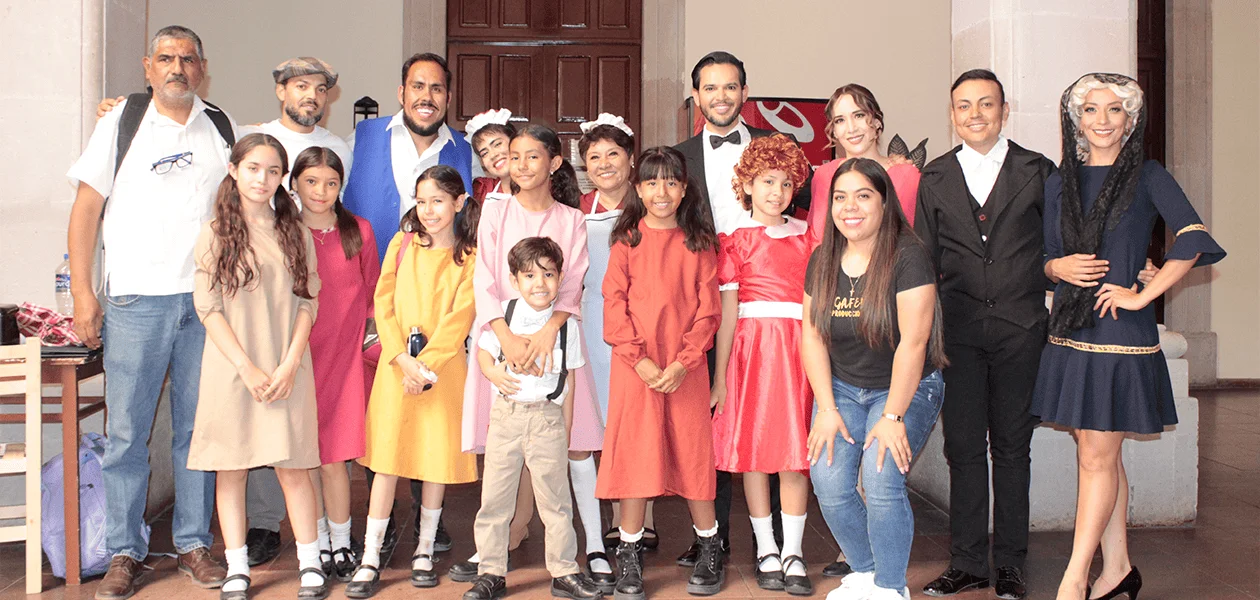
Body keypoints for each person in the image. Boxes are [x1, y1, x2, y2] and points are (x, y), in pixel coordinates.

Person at [1035, 73, 1224, 600]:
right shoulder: (1058, 182)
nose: (1101, 120)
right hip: (1070, 330)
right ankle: (1117, 566)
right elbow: (1043, 257)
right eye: (1090, 110)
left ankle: (1073, 581)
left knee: (1097, 454)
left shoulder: (1148, 175)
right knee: (1098, 452)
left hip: (1120, 334)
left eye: (1113, 110)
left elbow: (1193, 238)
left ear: (1130, 120)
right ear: (1075, 119)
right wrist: (1058, 268)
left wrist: (1145, 292)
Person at [66, 25, 233, 600]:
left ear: (202, 67)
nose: (177, 67)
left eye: (188, 58)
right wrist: (84, 295)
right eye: (166, 58)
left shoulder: (221, 127)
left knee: (196, 431)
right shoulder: (120, 124)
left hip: (205, 304)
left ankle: (193, 543)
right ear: (147, 66)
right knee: (127, 435)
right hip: (134, 300)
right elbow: (86, 210)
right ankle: (123, 552)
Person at [913, 69, 1054, 600]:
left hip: (1022, 330)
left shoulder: (1038, 171)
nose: (975, 114)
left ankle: (1012, 564)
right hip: (960, 334)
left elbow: (1059, 246)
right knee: (964, 448)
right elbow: (924, 259)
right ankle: (968, 561)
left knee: (1014, 449)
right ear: (951, 114)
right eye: (964, 106)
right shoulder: (935, 177)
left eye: (986, 104)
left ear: (1004, 109)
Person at [453, 123, 604, 581]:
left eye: (533, 156)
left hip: (555, 340)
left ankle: (590, 548)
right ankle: (494, 553)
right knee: (503, 457)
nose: (521, 164)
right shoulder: (496, 210)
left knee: (570, 444)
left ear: (555, 163)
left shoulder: (571, 217)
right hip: (502, 341)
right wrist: (504, 336)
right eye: (514, 156)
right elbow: (485, 279)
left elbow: (573, 278)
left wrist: (547, 332)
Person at [341, 51, 474, 555]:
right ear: (401, 92)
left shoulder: (463, 149)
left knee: (429, 409)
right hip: (370, 291)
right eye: (417, 86)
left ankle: (427, 524)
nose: (426, 96)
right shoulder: (363, 137)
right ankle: (378, 522)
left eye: (437, 88)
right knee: (380, 409)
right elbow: (312, 168)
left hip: (437, 299)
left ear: (447, 96)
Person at [673, 49, 798, 565]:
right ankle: (714, 535)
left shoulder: (777, 154)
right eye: (710, 88)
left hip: (770, 298)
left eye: (731, 87)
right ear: (696, 96)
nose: (721, 96)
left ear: (745, 93)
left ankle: (769, 541)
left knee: (770, 417)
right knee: (714, 418)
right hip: (703, 299)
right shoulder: (678, 158)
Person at [187, 133, 325, 600]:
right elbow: (208, 309)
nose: (262, 179)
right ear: (234, 171)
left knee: (293, 467)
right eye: (253, 168)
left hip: (286, 365)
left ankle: (310, 564)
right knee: (232, 468)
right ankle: (237, 567)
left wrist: (289, 363)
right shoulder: (215, 233)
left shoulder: (296, 231)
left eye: (272, 171)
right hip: (232, 368)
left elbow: (309, 303)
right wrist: (246, 368)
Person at [804, 158, 947, 600]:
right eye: (840, 197)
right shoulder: (823, 257)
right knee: (827, 479)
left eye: (863, 196)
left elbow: (914, 344)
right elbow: (810, 336)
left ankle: (890, 587)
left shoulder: (908, 256)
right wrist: (826, 409)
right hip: (844, 387)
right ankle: (865, 571)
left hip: (906, 387)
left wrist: (892, 416)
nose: (851, 207)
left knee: (882, 477)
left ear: (884, 203)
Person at [346, 165, 480, 597]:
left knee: (433, 459)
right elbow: (382, 303)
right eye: (421, 201)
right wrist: (402, 358)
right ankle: (370, 557)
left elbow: (460, 318)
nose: (428, 210)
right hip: (395, 367)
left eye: (438, 201)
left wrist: (426, 368)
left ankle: (424, 549)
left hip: (441, 372)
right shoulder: (402, 244)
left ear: (459, 203)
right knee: (386, 460)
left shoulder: (470, 256)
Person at [598, 146, 723, 600]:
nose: (661, 191)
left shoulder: (700, 243)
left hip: (684, 369)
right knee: (636, 453)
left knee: (692, 452)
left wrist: (683, 362)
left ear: (685, 188)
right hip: (636, 369)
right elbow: (614, 308)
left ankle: (711, 544)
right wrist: (643, 361)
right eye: (651, 181)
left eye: (671, 181)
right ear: (638, 188)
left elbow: (709, 313)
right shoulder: (627, 240)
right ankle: (629, 553)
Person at [465, 237, 604, 600]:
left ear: (560, 279)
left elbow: (570, 379)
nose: (539, 283)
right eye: (529, 275)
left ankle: (564, 571)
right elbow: (483, 354)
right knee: (495, 498)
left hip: (547, 419)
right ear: (514, 280)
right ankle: (491, 571)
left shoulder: (566, 326)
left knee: (556, 501)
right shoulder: (505, 317)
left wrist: (566, 428)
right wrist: (492, 374)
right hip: (507, 418)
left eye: (548, 274)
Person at [710, 134, 815, 595]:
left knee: (796, 456)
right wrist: (720, 379)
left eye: (786, 183)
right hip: (751, 356)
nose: (777, 191)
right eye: (767, 181)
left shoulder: (811, 236)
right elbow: (728, 317)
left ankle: (793, 551)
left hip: (799, 351)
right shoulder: (733, 242)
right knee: (754, 454)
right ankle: (766, 546)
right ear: (747, 184)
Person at [289, 147, 380, 581]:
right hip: (300, 356)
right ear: (294, 185)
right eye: (311, 182)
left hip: (345, 360)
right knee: (304, 454)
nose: (321, 191)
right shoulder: (283, 231)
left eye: (330, 183)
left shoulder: (357, 230)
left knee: (336, 457)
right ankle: (318, 539)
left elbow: (375, 295)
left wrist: (368, 345)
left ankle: (343, 543)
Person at [575, 114, 659, 557]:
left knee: (641, 418)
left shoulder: (651, 206)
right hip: (593, 322)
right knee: (606, 420)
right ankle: (616, 517)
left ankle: (643, 518)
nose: (604, 164)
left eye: (613, 154)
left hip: (644, 324)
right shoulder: (577, 211)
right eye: (594, 157)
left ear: (630, 160)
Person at [808, 84, 920, 240]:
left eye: (859, 115)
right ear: (833, 130)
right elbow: (815, 241)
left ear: (877, 122)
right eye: (840, 120)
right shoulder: (823, 175)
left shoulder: (905, 175)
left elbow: (912, 240)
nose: (851, 128)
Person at [466, 108, 516, 205]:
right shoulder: (481, 191)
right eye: (484, 153)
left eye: (497, 144)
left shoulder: (545, 187)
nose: (493, 155)